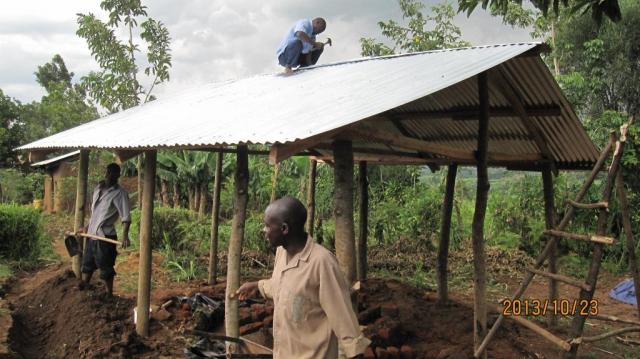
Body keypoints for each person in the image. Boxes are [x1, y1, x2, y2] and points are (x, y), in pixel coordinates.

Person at [235, 196, 370, 359]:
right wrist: (257, 285)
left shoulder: (322, 263)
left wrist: (355, 352)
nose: (264, 230)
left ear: (284, 229)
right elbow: (284, 287)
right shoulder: (281, 253)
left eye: (267, 226)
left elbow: (344, 319)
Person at [78, 163, 131, 297]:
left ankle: (109, 294)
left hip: (105, 236)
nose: (108, 175)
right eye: (107, 172)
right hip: (92, 233)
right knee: (87, 262)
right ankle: (84, 288)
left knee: (106, 266)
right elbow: (95, 213)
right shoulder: (98, 188)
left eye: (112, 173)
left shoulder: (120, 194)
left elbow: (126, 217)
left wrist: (125, 236)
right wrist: (86, 227)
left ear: (118, 175)